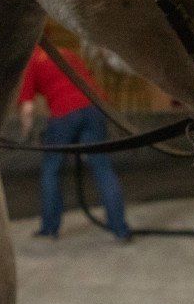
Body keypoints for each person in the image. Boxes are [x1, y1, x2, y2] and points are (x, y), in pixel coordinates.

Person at [18, 44, 132, 242]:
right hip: (95, 107)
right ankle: (120, 230)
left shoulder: (30, 60)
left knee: (51, 169)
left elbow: (27, 108)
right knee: (102, 167)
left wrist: (25, 133)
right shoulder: (65, 51)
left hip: (65, 112)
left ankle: (49, 229)